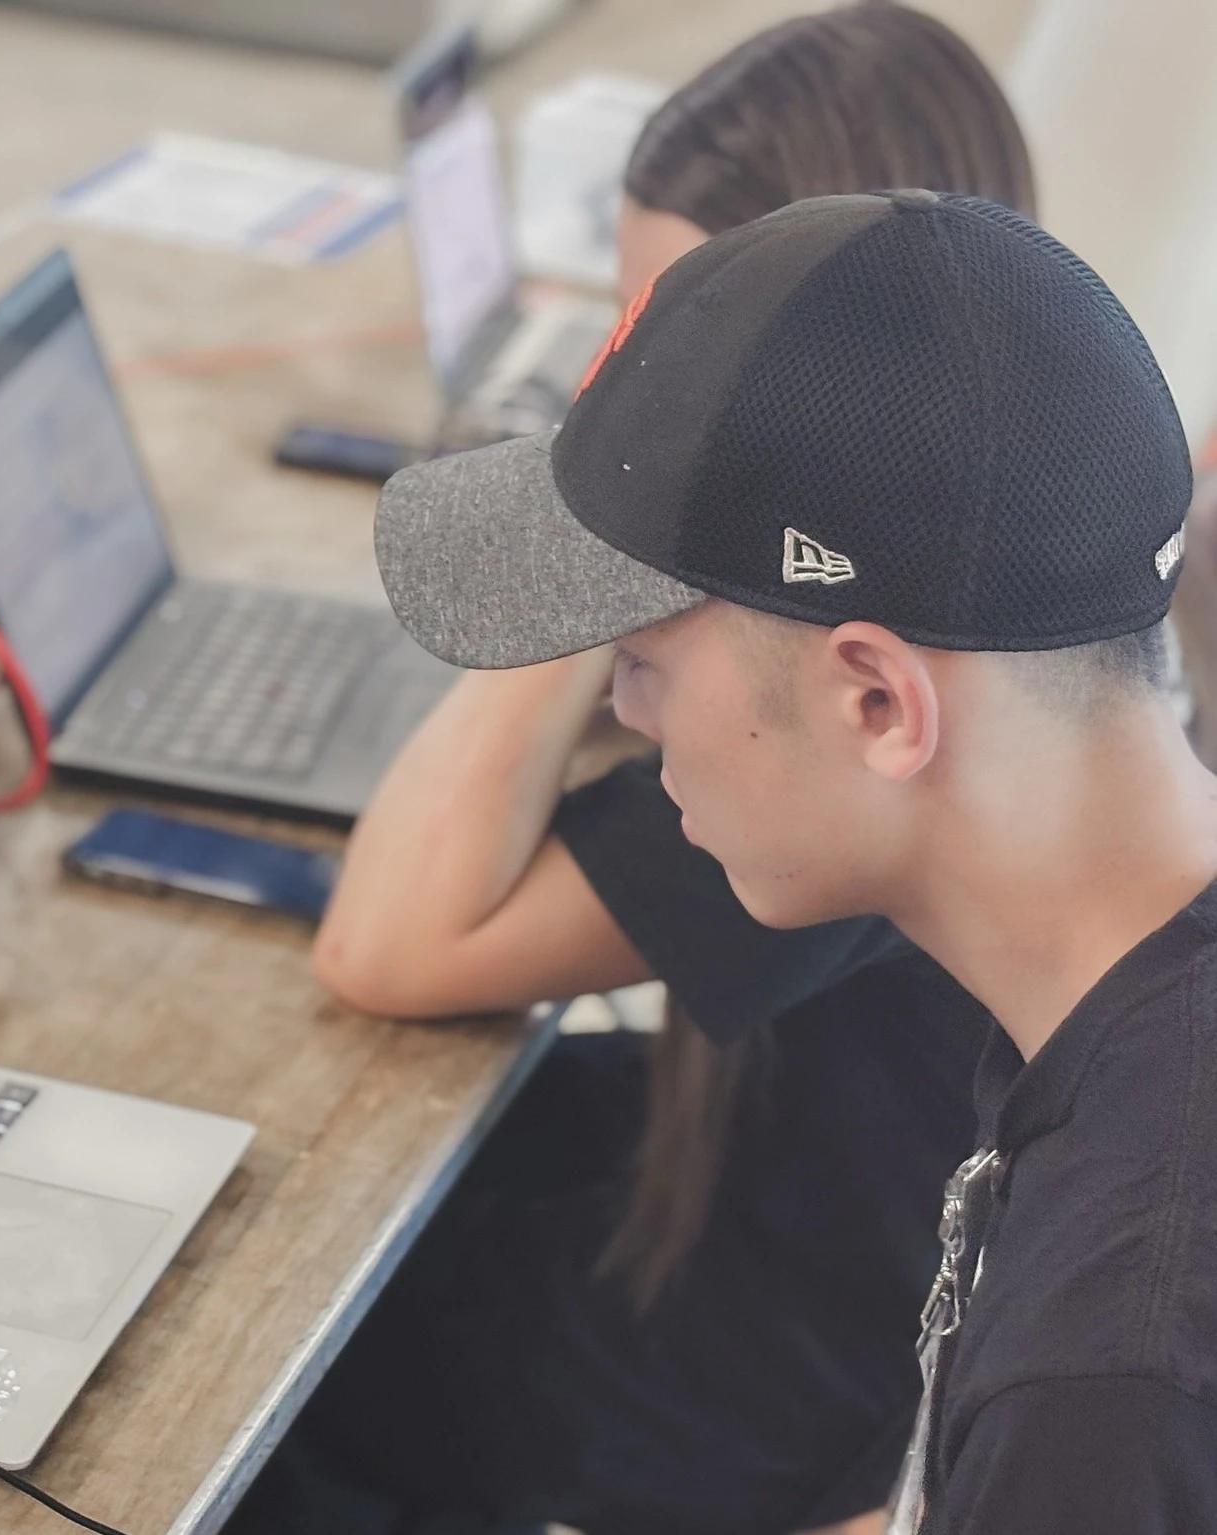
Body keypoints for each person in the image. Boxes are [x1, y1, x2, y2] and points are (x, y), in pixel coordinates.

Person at [230, 10, 1035, 1535]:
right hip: (807, 1173)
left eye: (665, 345)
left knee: (284, 1348)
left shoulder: (856, 707)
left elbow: (389, 946)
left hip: (796, 1355)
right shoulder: (1009, 519)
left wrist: (599, 523)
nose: (619, 384)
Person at [371, 186, 1217, 1532]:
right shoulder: (1124, 1012)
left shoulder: (1113, 1378)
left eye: (640, 662)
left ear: (877, 701)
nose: (630, 718)